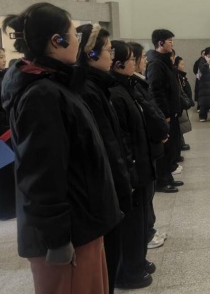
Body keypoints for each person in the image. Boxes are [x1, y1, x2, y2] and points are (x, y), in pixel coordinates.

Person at [1, 2, 122, 293]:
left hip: (82, 223)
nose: (78, 43)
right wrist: (56, 239)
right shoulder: (42, 95)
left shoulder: (55, 85)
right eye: (74, 35)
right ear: (58, 40)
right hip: (68, 234)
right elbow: (41, 175)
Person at [76, 24, 133, 294]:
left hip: (110, 182)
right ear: (91, 54)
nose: (112, 55)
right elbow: (107, 145)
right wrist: (123, 183)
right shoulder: (88, 90)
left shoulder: (98, 86)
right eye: (109, 50)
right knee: (107, 257)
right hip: (103, 187)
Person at [109, 41, 155, 290]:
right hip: (132, 167)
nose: (141, 61)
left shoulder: (129, 87)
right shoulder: (116, 93)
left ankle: (139, 261)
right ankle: (129, 270)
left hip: (141, 163)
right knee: (132, 224)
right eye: (135, 58)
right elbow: (122, 138)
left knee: (141, 220)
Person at [128, 42, 169, 251]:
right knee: (143, 197)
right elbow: (148, 111)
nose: (145, 60)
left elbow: (152, 107)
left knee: (148, 195)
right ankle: (146, 233)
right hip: (141, 150)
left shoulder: (138, 82)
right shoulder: (129, 87)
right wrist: (160, 128)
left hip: (149, 146)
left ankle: (149, 229)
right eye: (141, 57)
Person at [145, 30, 183, 193]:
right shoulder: (156, 63)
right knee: (165, 148)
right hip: (165, 114)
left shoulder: (165, 61)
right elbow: (156, 91)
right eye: (169, 41)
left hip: (172, 112)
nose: (172, 43)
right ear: (160, 43)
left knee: (171, 147)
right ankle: (162, 180)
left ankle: (168, 177)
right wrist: (165, 114)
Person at [0, 44, 14, 220]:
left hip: (8, 127)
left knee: (10, 170)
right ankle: (2, 210)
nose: (4, 60)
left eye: (4, 56)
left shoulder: (5, 76)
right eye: (0, 57)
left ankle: (10, 207)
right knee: (1, 171)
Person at [175, 56, 192, 151]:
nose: (183, 66)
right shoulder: (177, 76)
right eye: (181, 64)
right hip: (180, 103)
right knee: (179, 123)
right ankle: (180, 143)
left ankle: (181, 142)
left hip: (183, 102)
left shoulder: (181, 76)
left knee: (180, 123)